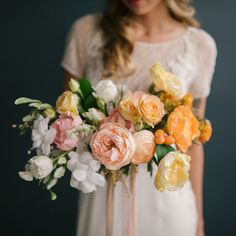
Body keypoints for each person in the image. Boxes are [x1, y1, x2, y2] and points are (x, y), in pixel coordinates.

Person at [61, 0, 217, 235]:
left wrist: (199, 221)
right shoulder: (86, 32)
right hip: (104, 199)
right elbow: (68, 125)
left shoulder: (198, 45)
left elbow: (192, 144)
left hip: (170, 203)